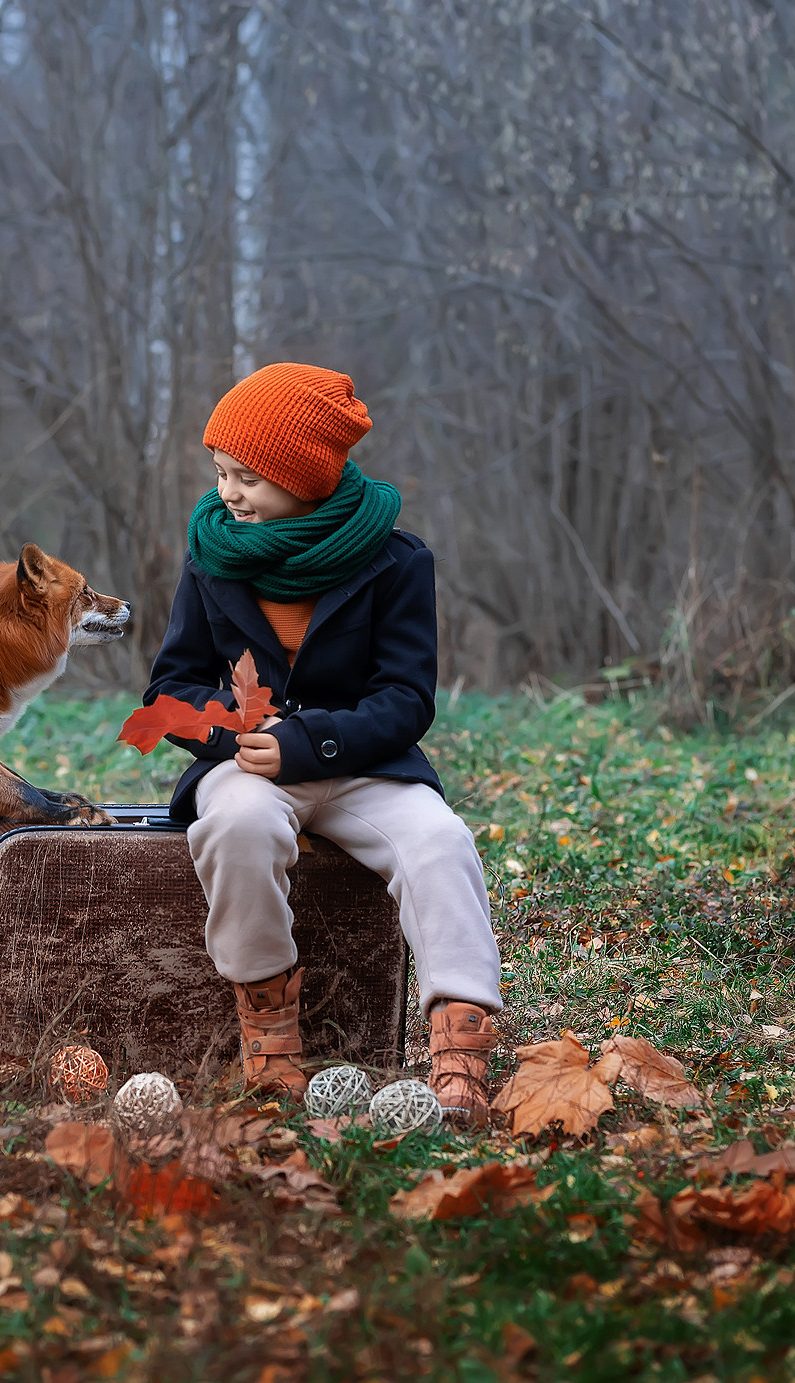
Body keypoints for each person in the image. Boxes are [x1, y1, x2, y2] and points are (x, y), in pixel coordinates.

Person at [141, 362, 504, 1119]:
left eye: (248, 477)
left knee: (440, 841)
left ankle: (460, 1048)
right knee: (236, 826)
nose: (228, 492)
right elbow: (171, 689)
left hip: (362, 763)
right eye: (220, 472)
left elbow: (407, 698)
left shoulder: (396, 561)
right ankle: (270, 1037)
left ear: (306, 476)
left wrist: (313, 741)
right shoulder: (212, 555)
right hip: (247, 765)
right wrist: (236, 728)